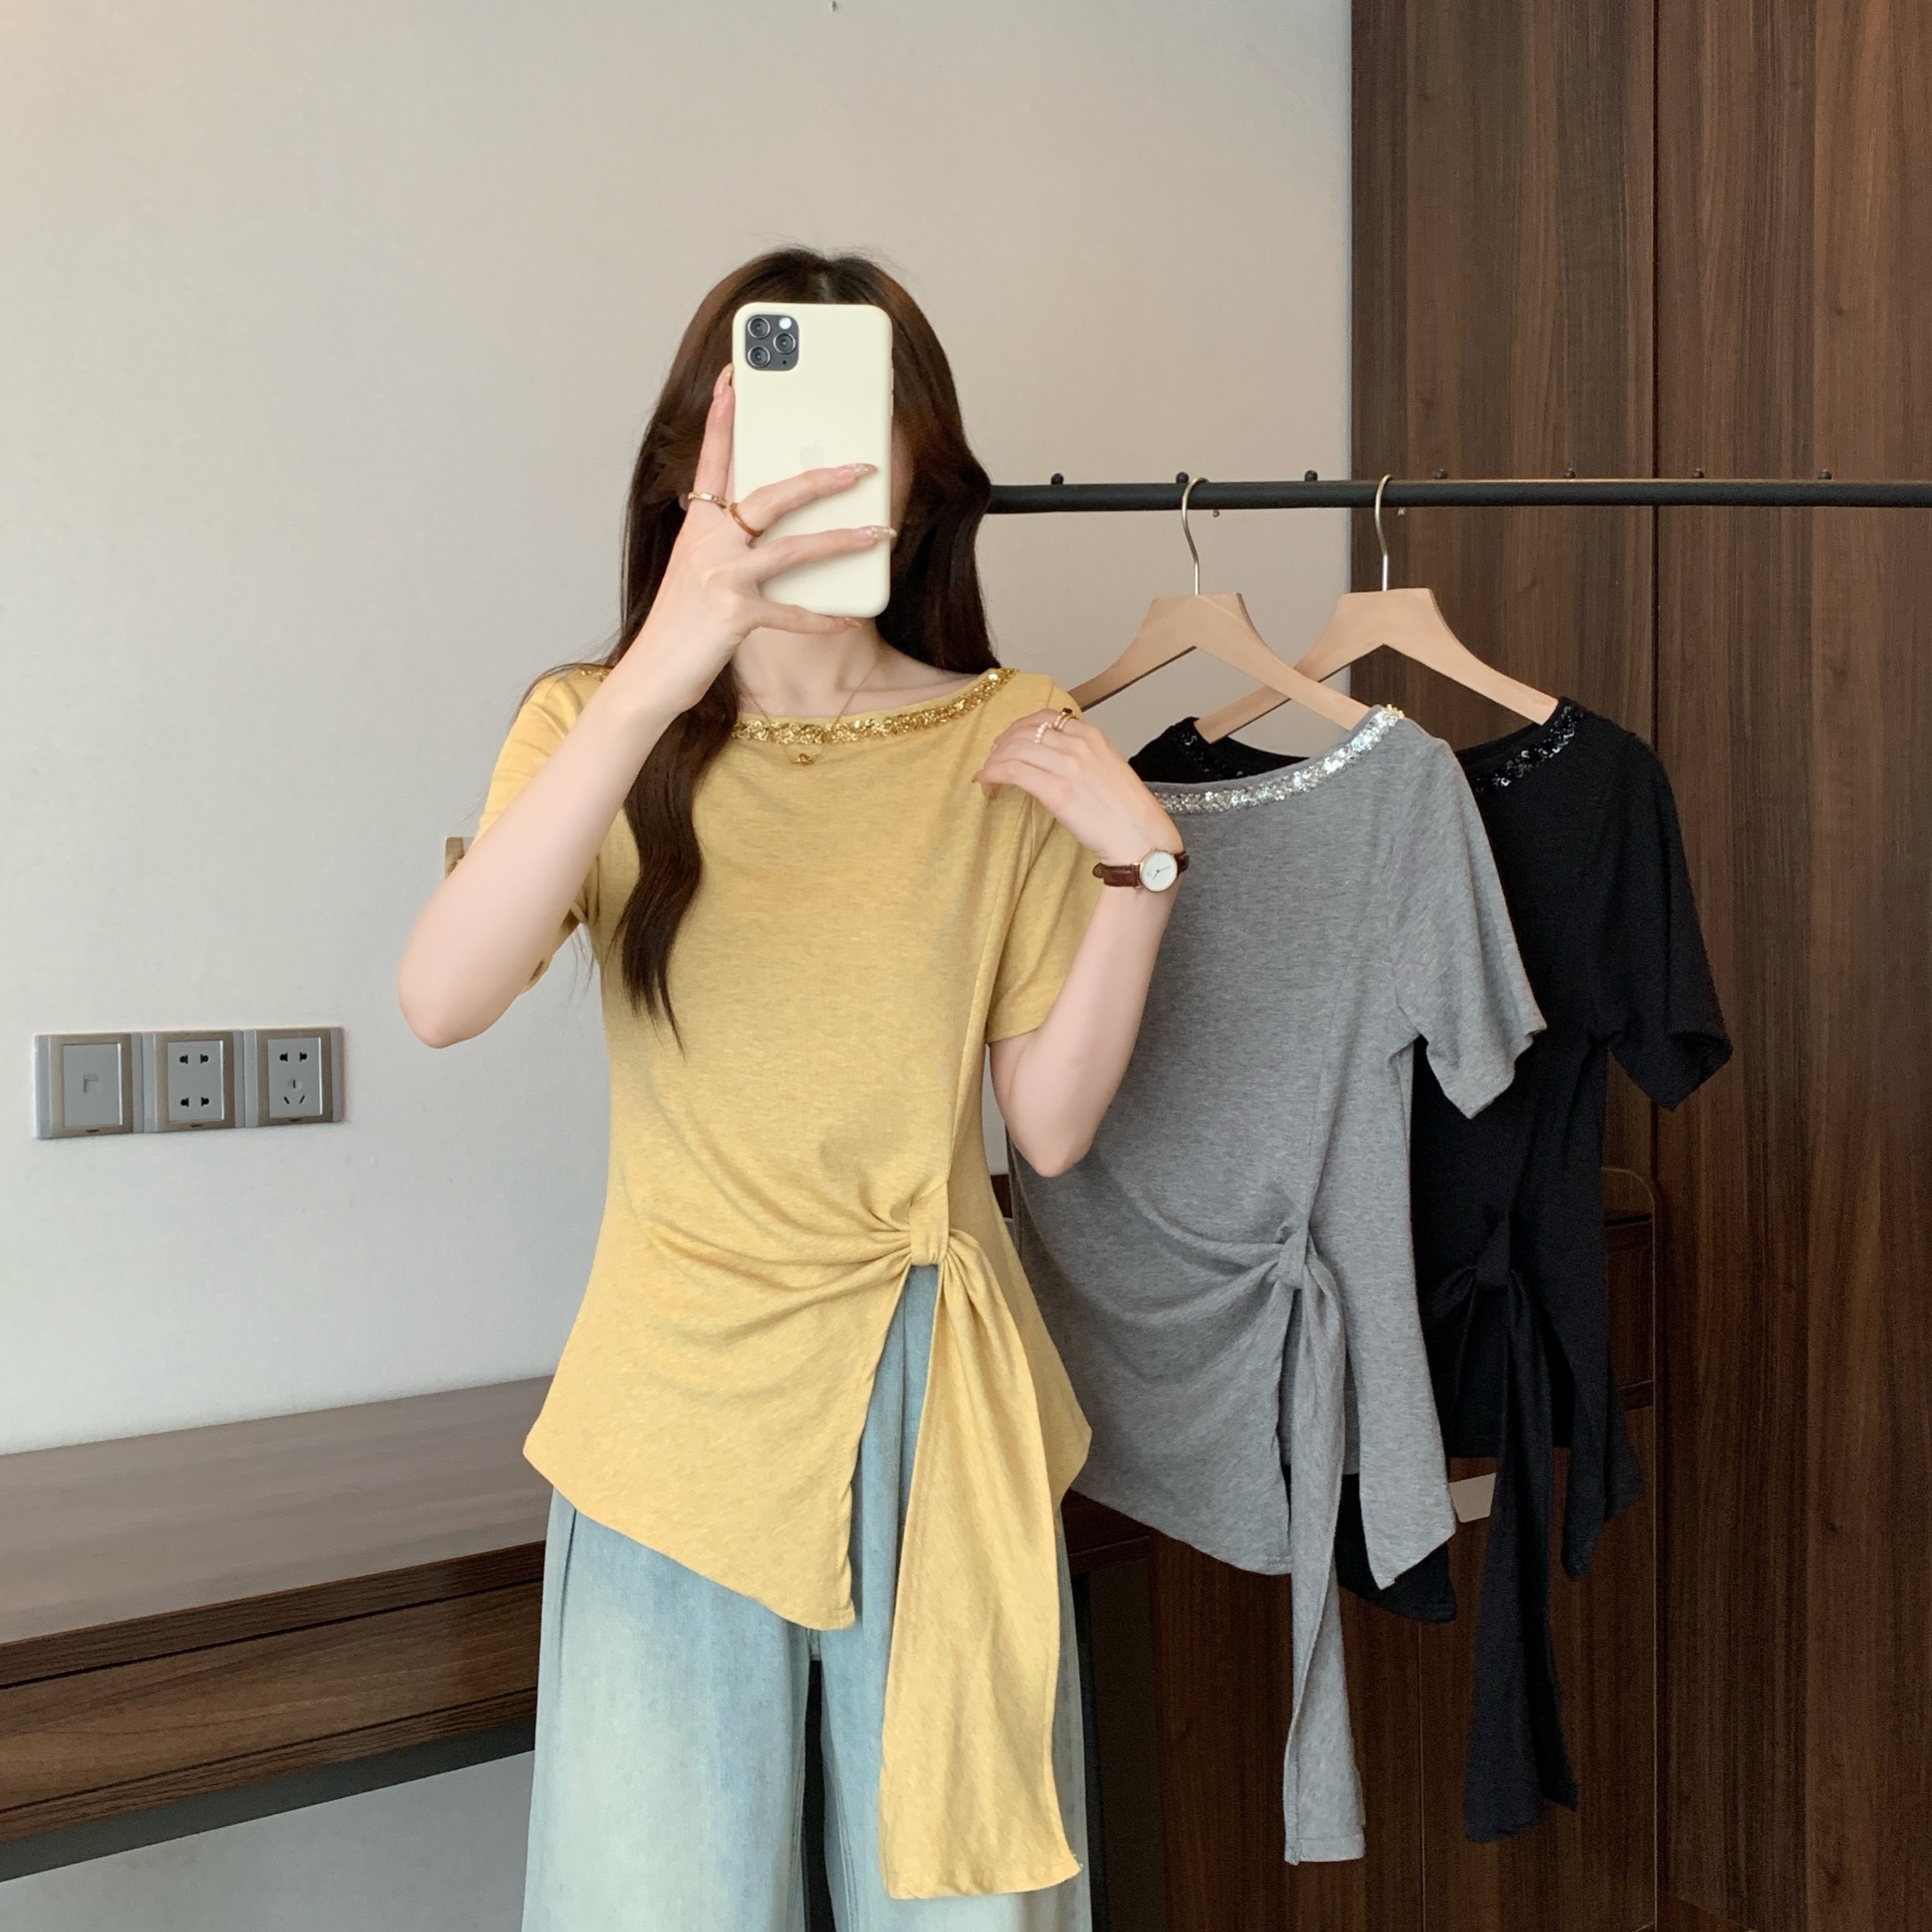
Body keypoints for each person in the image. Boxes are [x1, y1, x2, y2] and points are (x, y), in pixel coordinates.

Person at [397, 249, 1186, 1932]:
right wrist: (659, 674)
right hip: (674, 1410)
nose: (817, 473)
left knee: (964, 1908)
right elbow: (441, 997)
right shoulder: (593, 722)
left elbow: (1047, 1130)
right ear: (693, 469)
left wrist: (1140, 876)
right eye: (767, 431)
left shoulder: (1009, 732)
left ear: (918, 470)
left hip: (935, 1402)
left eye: (856, 431)